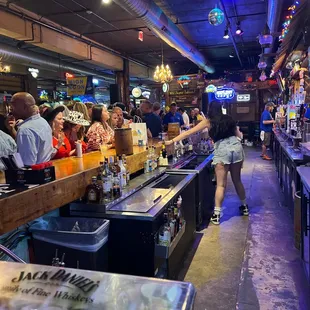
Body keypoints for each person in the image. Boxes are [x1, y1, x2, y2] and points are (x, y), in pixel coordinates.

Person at [165, 101, 247, 225]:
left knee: (221, 185)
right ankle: (244, 207)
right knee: (237, 180)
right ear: (221, 108)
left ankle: (217, 215)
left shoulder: (209, 121)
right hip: (236, 147)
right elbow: (239, 135)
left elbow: (188, 132)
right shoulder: (229, 118)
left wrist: (172, 141)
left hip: (222, 149)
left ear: (209, 109)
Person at [10, 92, 53, 166]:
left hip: (33, 175)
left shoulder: (25, 130)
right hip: (45, 172)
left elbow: (26, 163)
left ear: (24, 107)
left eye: (13, 107)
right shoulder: (43, 122)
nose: (11, 111)